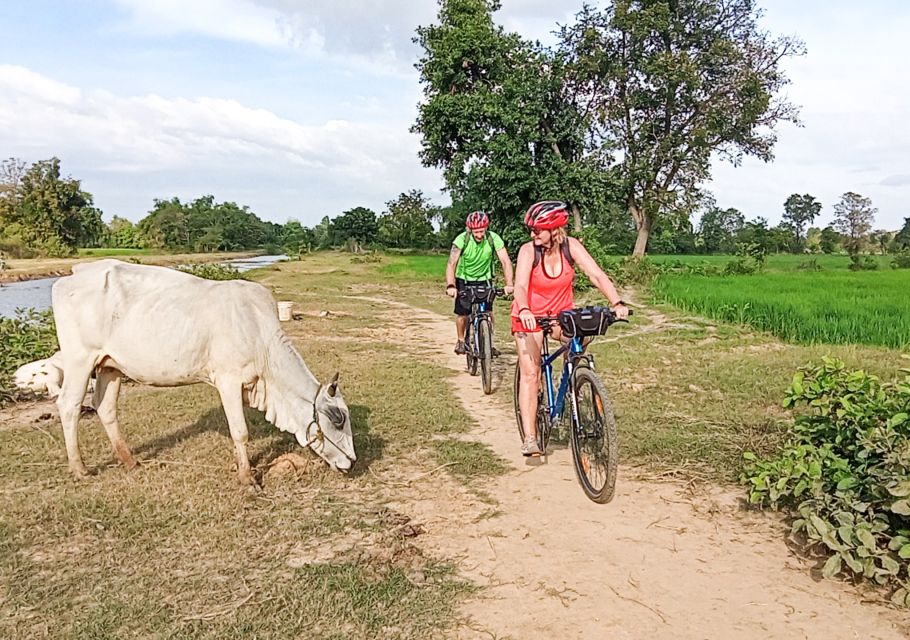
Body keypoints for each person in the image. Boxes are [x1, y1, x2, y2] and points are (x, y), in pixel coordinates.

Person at [511, 201, 629, 456]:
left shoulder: (570, 246)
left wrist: (616, 302)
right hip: (529, 315)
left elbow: (596, 275)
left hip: (560, 316)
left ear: (554, 230)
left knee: (581, 337)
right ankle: (531, 436)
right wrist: (524, 309)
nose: (532, 234)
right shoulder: (528, 252)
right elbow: (520, 286)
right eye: (531, 230)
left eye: (537, 230)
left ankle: (571, 383)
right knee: (531, 373)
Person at [445, 211, 514, 355]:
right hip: (464, 279)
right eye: (476, 232)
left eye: (482, 231)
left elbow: (506, 262)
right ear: (470, 230)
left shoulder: (493, 238)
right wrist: (451, 286)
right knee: (463, 313)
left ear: (486, 228)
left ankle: (489, 343)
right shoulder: (461, 240)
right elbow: (451, 264)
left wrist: (509, 284)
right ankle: (461, 341)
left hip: (484, 280)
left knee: (488, 312)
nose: (479, 235)